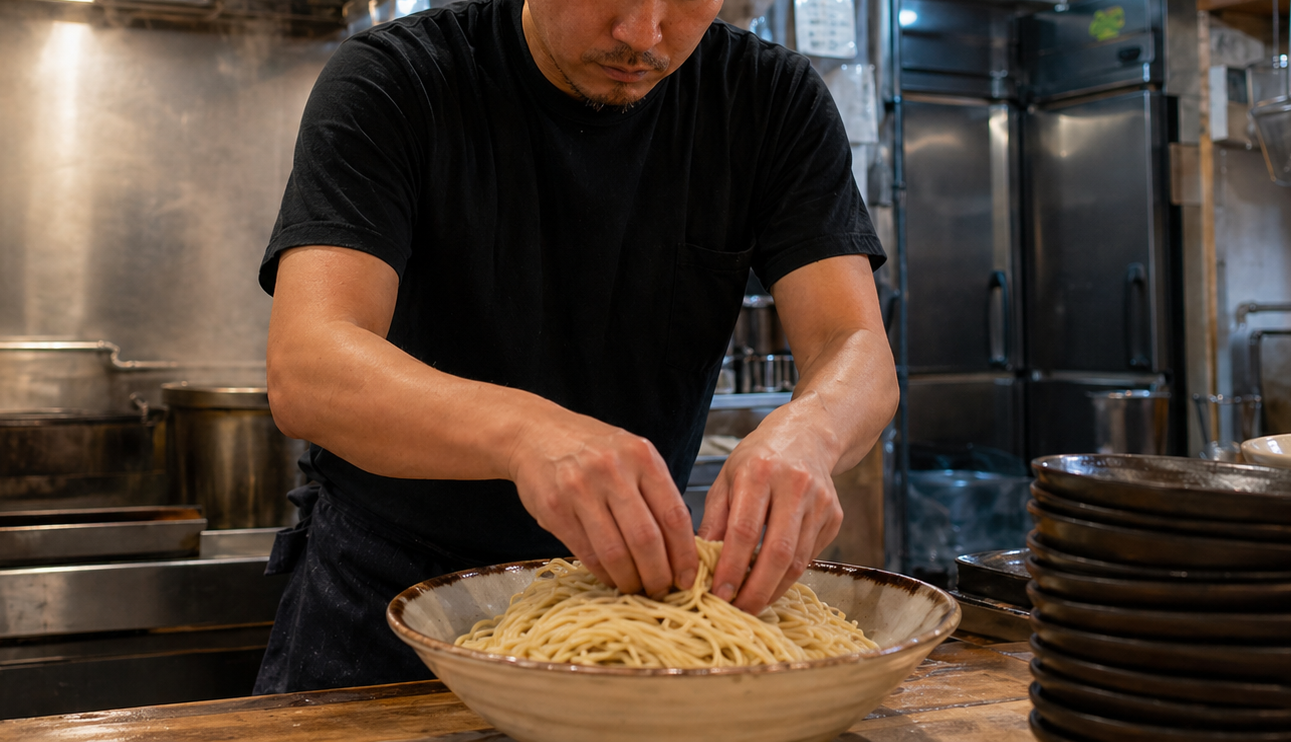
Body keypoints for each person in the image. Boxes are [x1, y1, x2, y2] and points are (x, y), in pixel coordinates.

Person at [253, 0, 899, 694]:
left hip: (641, 611)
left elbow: (852, 340)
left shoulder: (769, 101)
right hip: (385, 606)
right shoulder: (398, 77)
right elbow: (309, 366)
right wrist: (528, 435)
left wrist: (811, 433)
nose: (643, 35)